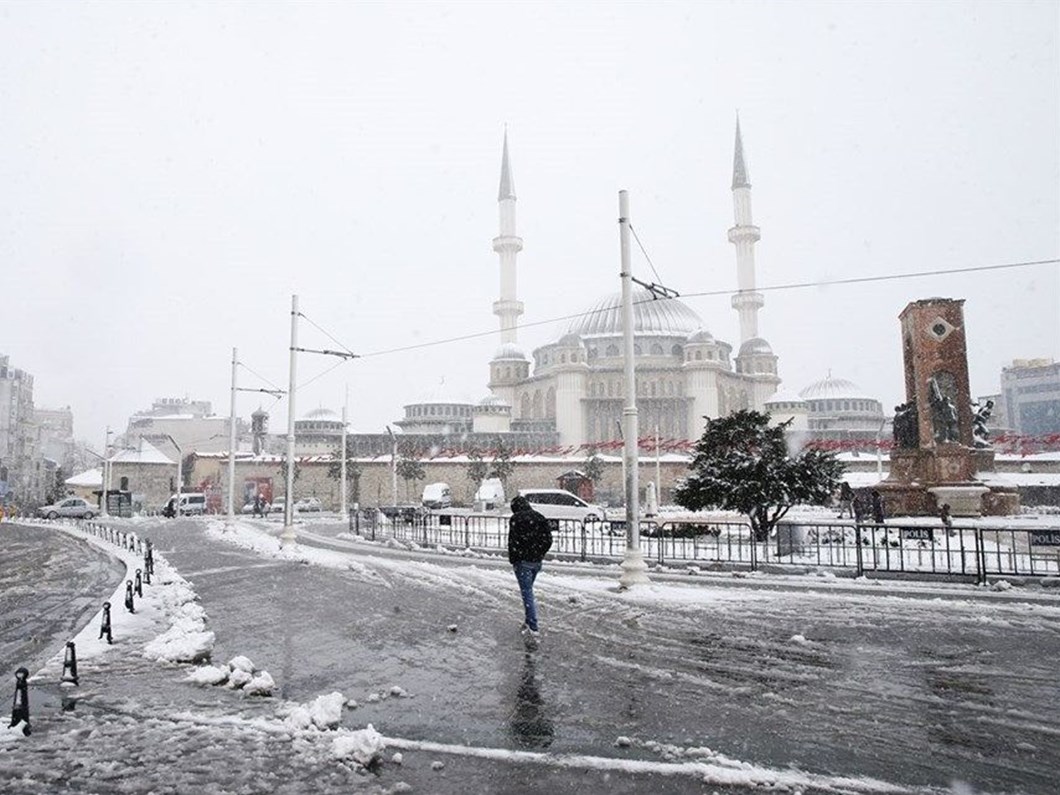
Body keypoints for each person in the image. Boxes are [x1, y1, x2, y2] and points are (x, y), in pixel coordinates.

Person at [508, 495, 553, 644]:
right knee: (528, 591)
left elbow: (513, 541)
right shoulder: (539, 517)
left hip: (523, 561)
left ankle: (533, 626)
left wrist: (515, 558)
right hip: (536, 561)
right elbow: (548, 539)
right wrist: (540, 553)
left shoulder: (516, 519)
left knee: (527, 593)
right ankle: (528, 621)